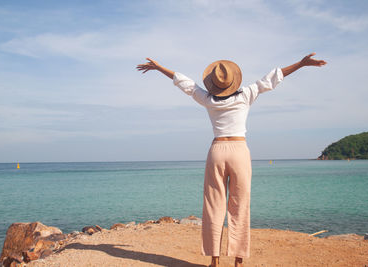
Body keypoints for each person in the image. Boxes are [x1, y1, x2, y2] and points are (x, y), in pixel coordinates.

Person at [137, 53, 326, 267]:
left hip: (217, 150)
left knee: (213, 205)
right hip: (239, 151)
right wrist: (301, 64)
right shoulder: (246, 95)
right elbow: (274, 77)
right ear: (234, 81)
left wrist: (160, 67)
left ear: (214, 84)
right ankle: (238, 261)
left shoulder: (207, 99)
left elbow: (184, 82)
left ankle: (214, 260)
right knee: (240, 205)